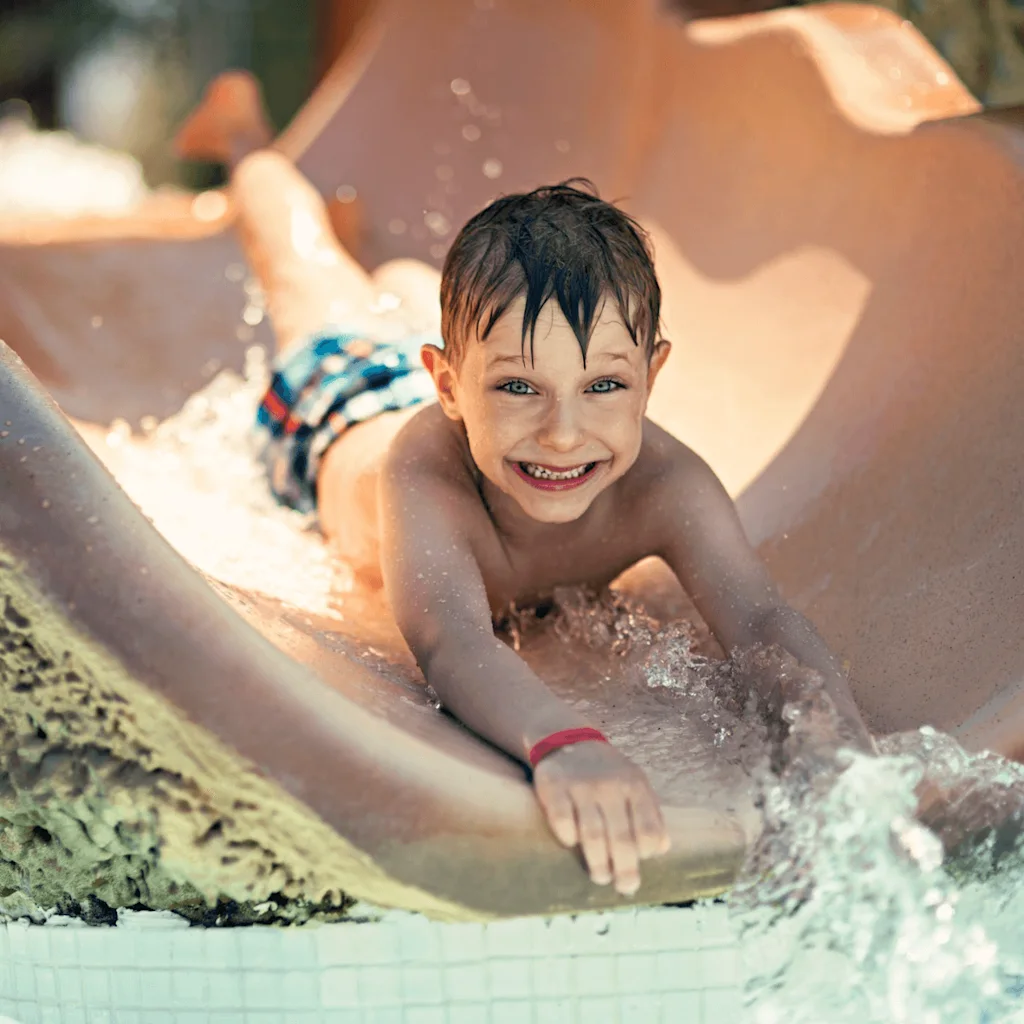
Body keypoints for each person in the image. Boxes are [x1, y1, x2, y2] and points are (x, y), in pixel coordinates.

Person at [176, 70, 875, 898]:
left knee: (441, 310)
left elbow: (758, 617)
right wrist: (562, 740)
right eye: (520, 389)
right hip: (338, 405)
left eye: (604, 386)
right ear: (448, 388)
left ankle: (411, 291)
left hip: (447, 367)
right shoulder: (424, 475)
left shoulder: (666, 483)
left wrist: (836, 741)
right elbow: (454, 643)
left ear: (652, 376)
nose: (563, 434)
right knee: (304, 270)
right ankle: (244, 139)